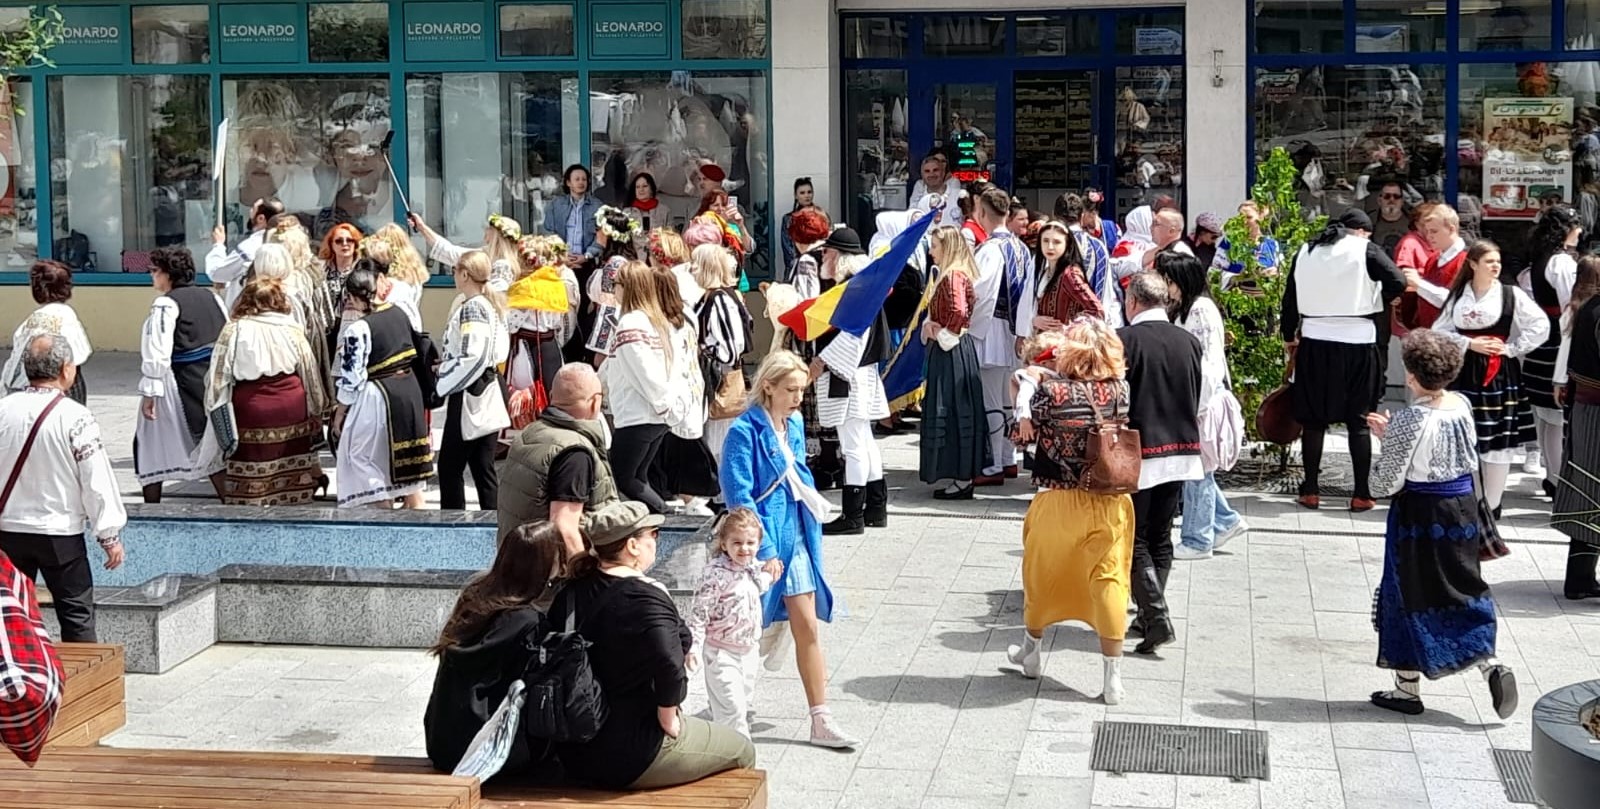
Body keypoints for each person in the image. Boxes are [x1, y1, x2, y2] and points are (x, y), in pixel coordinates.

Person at [547, 501, 756, 788]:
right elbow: (670, 663)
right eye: (653, 534)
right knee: (742, 750)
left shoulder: (569, 592)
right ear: (632, 546)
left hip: (574, 747)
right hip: (636, 751)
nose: (656, 541)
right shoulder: (648, 596)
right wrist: (668, 717)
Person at [1365, 329, 1518, 719]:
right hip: (1463, 509)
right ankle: (1489, 663)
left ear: (1412, 375)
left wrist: (1386, 441)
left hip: (1420, 515)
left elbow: (1384, 485)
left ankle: (1406, 688)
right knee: (1461, 586)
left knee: (1406, 593)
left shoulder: (1410, 419)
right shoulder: (1461, 404)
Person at [719, 350, 860, 748]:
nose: (799, 397)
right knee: (743, 630)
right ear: (768, 387)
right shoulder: (744, 431)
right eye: (791, 389)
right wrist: (758, 548)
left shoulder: (794, 423)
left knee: (808, 626)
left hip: (796, 534)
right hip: (758, 541)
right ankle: (731, 707)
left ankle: (821, 717)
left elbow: (798, 473)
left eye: (801, 389)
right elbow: (738, 494)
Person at [1004, 319, 1133, 704]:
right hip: (1108, 501)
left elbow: (1020, 434)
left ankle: (1031, 651)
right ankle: (1112, 678)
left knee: (1041, 576)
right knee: (1109, 580)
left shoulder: (1052, 392)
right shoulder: (1121, 390)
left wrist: (1022, 384)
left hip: (1058, 498)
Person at [0, 334, 125, 643]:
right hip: (59, 533)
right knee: (76, 615)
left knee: (9, 618)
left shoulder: (3, 410)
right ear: (66, 369)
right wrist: (108, 535)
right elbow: (95, 479)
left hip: (8, 530)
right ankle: (81, 674)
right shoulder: (75, 417)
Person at [1281, 210, 1407, 511]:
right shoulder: (1366, 249)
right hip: (1358, 340)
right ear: (1359, 230)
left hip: (1315, 339)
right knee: (1359, 421)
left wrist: (1288, 335)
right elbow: (1398, 281)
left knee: (1313, 422)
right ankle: (1361, 493)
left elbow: (1290, 297)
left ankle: (1311, 490)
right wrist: (1380, 297)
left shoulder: (1306, 251)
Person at [1412, 241, 1549, 516]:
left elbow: (1540, 325)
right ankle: (1468, 501)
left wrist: (1511, 349)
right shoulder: (1458, 296)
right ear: (1473, 264)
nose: (1495, 266)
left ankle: (1492, 504)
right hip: (1463, 372)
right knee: (1465, 435)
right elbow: (1439, 331)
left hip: (1498, 372)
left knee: (1497, 438)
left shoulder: (1510, 294)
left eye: (1497, 261)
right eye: (1489, 261)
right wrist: (1468, 343)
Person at [424, 522, 567, 775]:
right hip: (488, 751)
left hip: (443, 743)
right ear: (544, 566)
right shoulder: (529, 623)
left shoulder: (474, 596)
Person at [1119, 273, 1203, 655]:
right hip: (1182, 447)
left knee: (1133, 538)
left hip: (1141, 449)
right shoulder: (1189, 341)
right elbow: (1199, 393)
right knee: (1160, 536)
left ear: (1133, 302)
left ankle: (1155, 616)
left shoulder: (1125, 340)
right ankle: (1148, 615)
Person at [1158, 253, 1249, 559]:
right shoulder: (1186, 307)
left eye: (1169, 280)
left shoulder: (1199, 310)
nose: (1165, 287)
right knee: (1198, 466)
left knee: (1197, 468)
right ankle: (1225, 521)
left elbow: (1208, 363)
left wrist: (1196, 405)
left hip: (1201, 399)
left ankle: (1198, 540)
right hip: (1195, 396)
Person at [205, 278, 328, 506]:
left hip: (252, 407)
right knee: (291, 464)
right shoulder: (292, 328)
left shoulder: (234, 330)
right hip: (292, 404)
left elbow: (218, 376)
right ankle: (293, 506)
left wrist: (214, 408)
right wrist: (316, 408)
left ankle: (252, 509)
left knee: (252, 468)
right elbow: (309, 371)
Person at [811, 230, 891, 534]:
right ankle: (875, 508)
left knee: (853, 445)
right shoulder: (862, 287)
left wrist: (821, 362)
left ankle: (853, 515)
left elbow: (853, 337)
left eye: (827, 252)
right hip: (860, 372)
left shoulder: (854, 289)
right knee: (864, 441)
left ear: (839, 256)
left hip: (848, 374)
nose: (823, 257)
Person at [332, 267, 433, 510]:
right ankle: (416, 511)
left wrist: (340, 412)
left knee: (361, 453)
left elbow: (351, 377)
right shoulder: (399, 312)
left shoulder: (358, 329)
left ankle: (382, 507)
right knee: (405, 459)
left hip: (379, 395)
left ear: (353, 297)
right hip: (409, 392)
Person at [136, 246, 228, 504]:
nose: (152, 275)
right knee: (211, 448)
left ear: (168, 274)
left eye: (154, 270)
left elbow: (157, 351)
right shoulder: (212, 297)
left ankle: (151, 509)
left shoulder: (165, 304)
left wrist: (150, 391)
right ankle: (230, 503)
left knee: (150, 445)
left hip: (177, 385)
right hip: (210, 382)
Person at [499, 363, 619, 558]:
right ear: (595, 402)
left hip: (517, 561)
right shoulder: (574, 452)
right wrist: (583, 570)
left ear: (552, 396)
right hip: (550, 568)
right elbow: (564, 527)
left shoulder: (530, 432)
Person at [601, 261, 689, 514]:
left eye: (615, 284)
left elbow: (645, 370)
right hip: (652, 414)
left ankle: (665, 517)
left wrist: (663, 405)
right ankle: (656, 520)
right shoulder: (656, 321)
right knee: (638, 477)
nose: (613, 289)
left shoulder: (631, 323)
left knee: (624, 478)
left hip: (639, 414)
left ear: (627, 288)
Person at [686, 508, 781, 740]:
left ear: (759, 544)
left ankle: (722, 737)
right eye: (737, 542)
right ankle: (740, 751)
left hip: (748, 649)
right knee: (733, 711)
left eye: (750, 543)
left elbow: (757, 586)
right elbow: (699, 613)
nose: (744, 548)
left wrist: (770, 575)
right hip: (721, 651)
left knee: (742, 702)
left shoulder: (752, 568)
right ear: (724, 544)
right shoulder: (715, 574)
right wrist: (694, 646)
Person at [435, 252, 512, 511]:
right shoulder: (489, 304)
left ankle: (453, 524)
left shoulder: (473, 307)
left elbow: (473, 356)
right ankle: (494, 521)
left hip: (471, 391)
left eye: (455, 271)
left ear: (465, 274)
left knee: (450, 466)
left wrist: (442, 382)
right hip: (487, 385)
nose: (454, 276)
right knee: (482, 466)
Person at [921, 225, 991, 500]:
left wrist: (941, 333)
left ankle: (962, 478)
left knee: (953, 409)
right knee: (956, 409)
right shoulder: (954, 273)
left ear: (947, 247)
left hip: (951, 351)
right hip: (955, 350)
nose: (931, 251)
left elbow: (959, 312)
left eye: (935, 246)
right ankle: (961, 475)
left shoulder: (952, 276)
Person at [1517, 206, 1583, 498]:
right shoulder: (1561, 262)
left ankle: (1551, 476)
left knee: (1546, 416)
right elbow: (1570, 305)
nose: (1580, 231)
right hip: (1557, 340)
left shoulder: (1542, 258)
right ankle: (1556, 482)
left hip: (1543, 339)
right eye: (1576, 225)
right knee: (1554, 415)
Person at [972, 186, 1031, 485]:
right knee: (1009, 398)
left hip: (992, 329)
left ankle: (994, 463)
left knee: (992, 398)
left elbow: (980, 292)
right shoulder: (1021, 247)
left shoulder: (990, 249)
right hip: (1016, 331)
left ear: (982, 212)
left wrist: (967, 324)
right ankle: (1008, 458)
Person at [1552, 256, 1600, 600]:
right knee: (1592, 491)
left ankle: (1580, 578)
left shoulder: (1588, 306)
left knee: (1589, 491)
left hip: (1586, 410)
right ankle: (1580, 579)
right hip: (1595, 412)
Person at [693, 244, 753, 464]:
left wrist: (700, 349)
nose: (692, 269)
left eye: (696, 264)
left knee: (719, 445)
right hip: (714, 380)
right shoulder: (713, 296)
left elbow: (730, 350)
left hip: (720, 381)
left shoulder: (719, 300)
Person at [3, 260, 92, 403]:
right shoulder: (67, 315)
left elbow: (16, 355)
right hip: (60, 385)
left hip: (24, 386)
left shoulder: (31, 321)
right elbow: (79, 353)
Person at [1020, 219, 1103, 333]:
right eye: (1045, 241)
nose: (1050, 247)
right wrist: (1034, 321)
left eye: (1056, 242)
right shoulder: (1045, 270)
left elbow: (1097, 311)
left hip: (1063, 341)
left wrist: (1068, 328)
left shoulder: (1070, 274)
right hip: (1044, 339)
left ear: (1067, 244)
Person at [207, 198, 284, 311]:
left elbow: (216, 273)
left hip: (249, 311)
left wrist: (218, 245)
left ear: (261, 218)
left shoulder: (249, 248)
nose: (250, 211)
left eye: (253, 209)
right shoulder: (285, 245)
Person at [1057, 193, 1120, 326]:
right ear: (1081, 216)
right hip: (1091, 326)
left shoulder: (1050, 244)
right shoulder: (1098, 246)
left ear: (1054, 216)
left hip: (1056, 326)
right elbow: (1106, 292)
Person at [544, 163, 604, 269]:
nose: (581, 182)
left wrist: (586, 256)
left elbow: (601, 236)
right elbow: (548, 232)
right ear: (568, 183)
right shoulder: (556, 204)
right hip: (561, 262)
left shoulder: (597, 206)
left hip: (587, 262)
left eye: (584, 179)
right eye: (577, 179)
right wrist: (562, 255)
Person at [910, 154, 964, 226]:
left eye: (935, 170)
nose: (931, 174)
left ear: (943, 172)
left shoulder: (959, 196)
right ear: (922, 176)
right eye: (927, 171)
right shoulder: (917, 204)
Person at [779, 177, 816, 273]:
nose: (807, 196)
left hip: (816, 267)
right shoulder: (788, 219)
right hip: (795, 268)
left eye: (809, 192)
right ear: (796, 195)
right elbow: (787, 249)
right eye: (802, 193)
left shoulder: (820, 217)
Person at [624, 172, 664, 250]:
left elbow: (670, 237)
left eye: (645, 186)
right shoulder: (627, 212)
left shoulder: (664, 211)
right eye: (637, 187)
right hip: (634, 254)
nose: (641, 190)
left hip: (659, 253)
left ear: (651, 189)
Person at [1371, 181, 1412, 256]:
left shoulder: (1414, 222)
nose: (1392, 200)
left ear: (1402, 201)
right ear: (1379, 201)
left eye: (1396, 196)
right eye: (1387, 196)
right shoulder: (1369, 222)